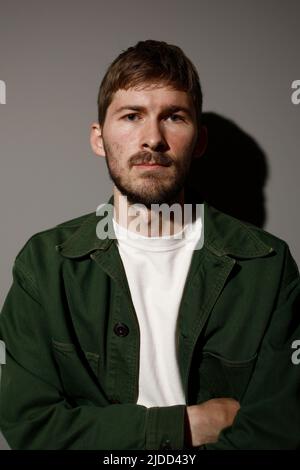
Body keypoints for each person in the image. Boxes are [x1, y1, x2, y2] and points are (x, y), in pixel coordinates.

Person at [0, 39, 299, 451]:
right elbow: (30, 426)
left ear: (199, 141)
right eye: (131, 116)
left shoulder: (267, 265)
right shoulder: (45, 264)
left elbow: (279, 429)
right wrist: (185, 426)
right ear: (99, 138)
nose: (152, 139)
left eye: (173, 117)